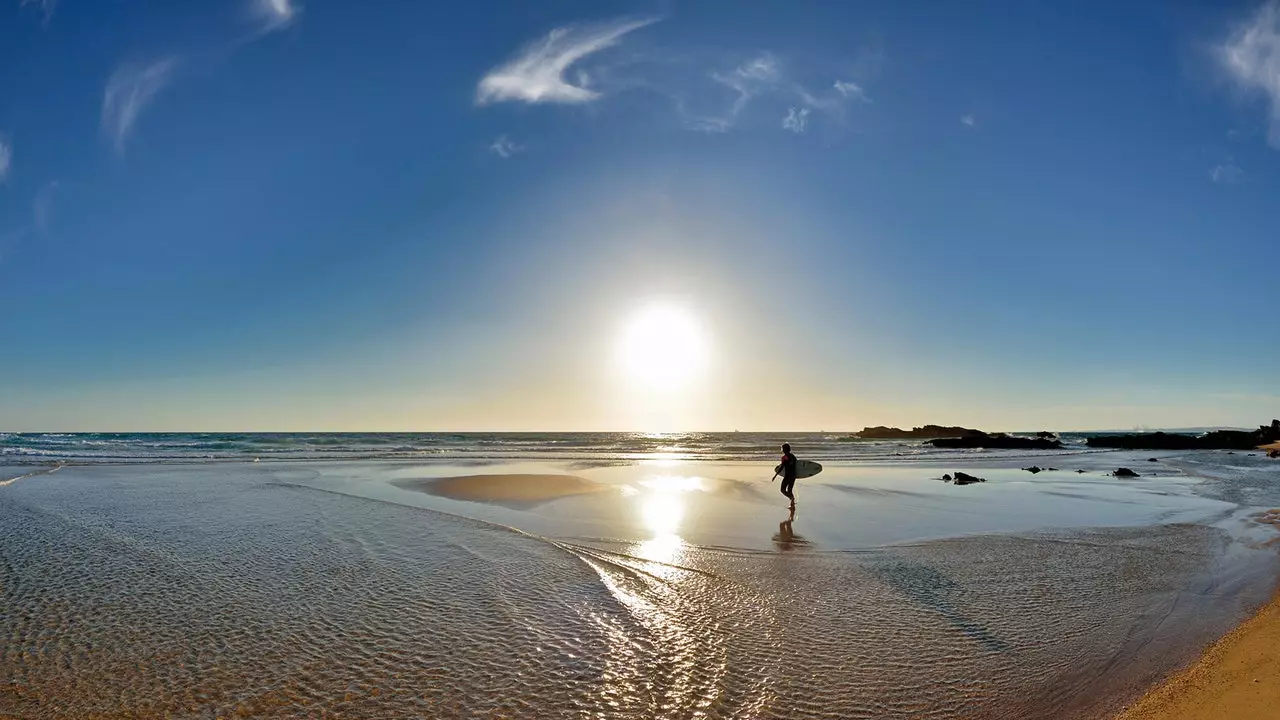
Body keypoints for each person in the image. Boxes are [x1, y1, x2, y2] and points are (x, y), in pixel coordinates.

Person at [777, 443, 797, 508]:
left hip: (788, 475)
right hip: (793, 475)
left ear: (784, 449)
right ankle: (792, 503)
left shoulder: (784, 457)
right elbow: (796, 465)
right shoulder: (793, 456)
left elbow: (782, 467)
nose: (782, 450)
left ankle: (792, 499)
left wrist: (776, 474)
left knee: (782, 490)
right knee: (789, 490)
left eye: (782, 448)